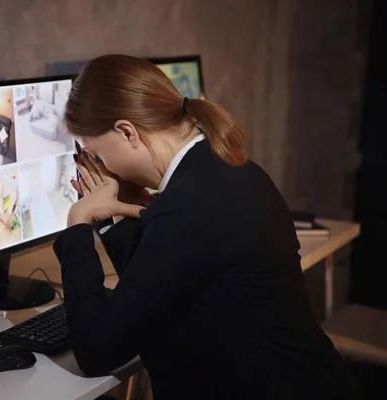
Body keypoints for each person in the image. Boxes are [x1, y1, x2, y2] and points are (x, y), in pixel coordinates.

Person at [52, 54, 358, 399]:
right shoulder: (225, 169)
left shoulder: (185, 208)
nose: (101, 167)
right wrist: (114, 219)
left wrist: (77, 225)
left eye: (97, 155)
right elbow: (155, 289)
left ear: (127, 132)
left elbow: (96, 351)